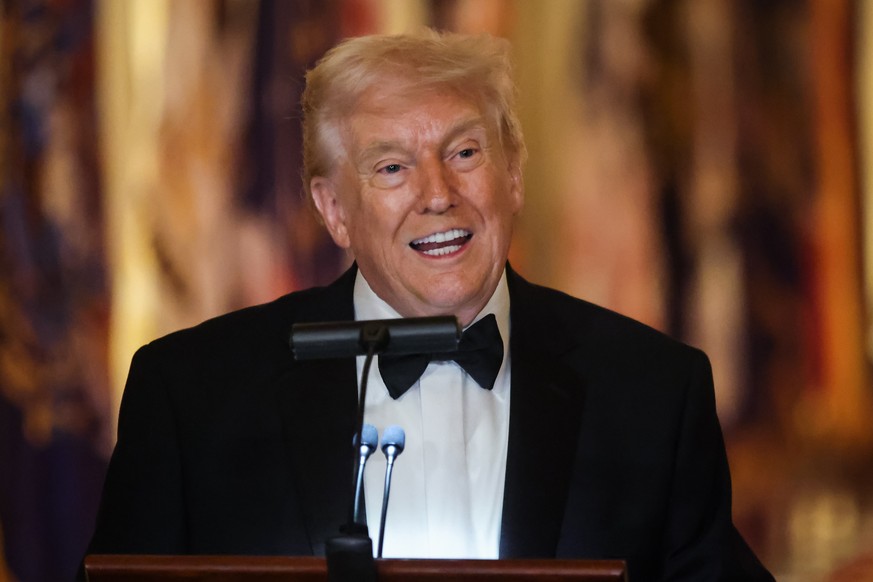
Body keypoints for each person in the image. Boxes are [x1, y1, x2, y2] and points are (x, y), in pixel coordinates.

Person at [84, 29, 774, 581]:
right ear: (333, 210)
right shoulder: (191, 393)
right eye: (391, 167)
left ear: (512, 174)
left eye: (464, 152)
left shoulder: (652, 391)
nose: (437, 193)